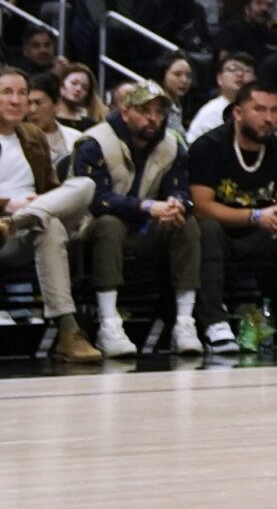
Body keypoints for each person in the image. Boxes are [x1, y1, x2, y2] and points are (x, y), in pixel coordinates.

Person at [188, 82, 277, 352]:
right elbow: (202, 207)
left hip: (266, 233)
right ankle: (214, 322)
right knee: (206, 229)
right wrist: (255, 216)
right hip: (224, 235)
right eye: (260, 109)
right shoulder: (209, 147)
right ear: (238, 113)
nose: (268, 118)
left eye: (275, 110)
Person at [74, 81, 202, 357]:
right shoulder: (94, 142)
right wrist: (146, 206)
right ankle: (109, 324)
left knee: (185, 222)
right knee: (110, 223)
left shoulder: (171, 144)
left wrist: (177, 203)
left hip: (146, 231)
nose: (153, 118)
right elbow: (95, 199)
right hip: (92, 230)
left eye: (158, 111)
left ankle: (184, 322)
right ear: (125, 112)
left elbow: (180, 187)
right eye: (145, 111)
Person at [1, 64, 101, 361]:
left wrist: (34, 205)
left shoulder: (32, 135)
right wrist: (6, 204)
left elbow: (54, 191)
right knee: (51, 227)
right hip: (6, 232)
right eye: (7, 92)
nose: (17, 101)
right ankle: (68, 332)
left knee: (84, 185)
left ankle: (21, 219)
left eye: (22, 93)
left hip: (23, 228)